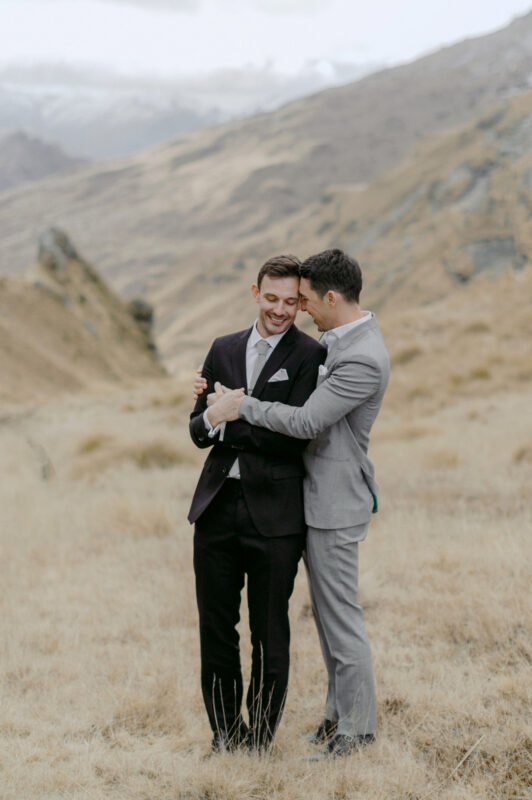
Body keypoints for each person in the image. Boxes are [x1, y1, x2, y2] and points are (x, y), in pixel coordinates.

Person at [204, 248, 390, 759]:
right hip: (310, 497)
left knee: (341, 619)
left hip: (334, 501)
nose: (300, 309)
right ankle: (336, 717)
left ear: (331, 297)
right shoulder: (339, 341)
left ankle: (357, 730)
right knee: (328, 619)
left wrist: (240, 405)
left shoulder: (363, 357)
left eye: (305, 300)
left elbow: (308, 423)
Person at [188, 254, 325, 754]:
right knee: (216, 629)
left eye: (292, 302)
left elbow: (296, 439)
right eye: (272, 298)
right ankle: (226, 735)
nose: (281, 310)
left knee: (270, 634)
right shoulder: (222, 349)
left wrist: (231, 412)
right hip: (217, 509)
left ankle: (259, 741)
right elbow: (198, 431)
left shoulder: (311, 356)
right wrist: (212, 416)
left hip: (277, 516)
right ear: (255, 293)